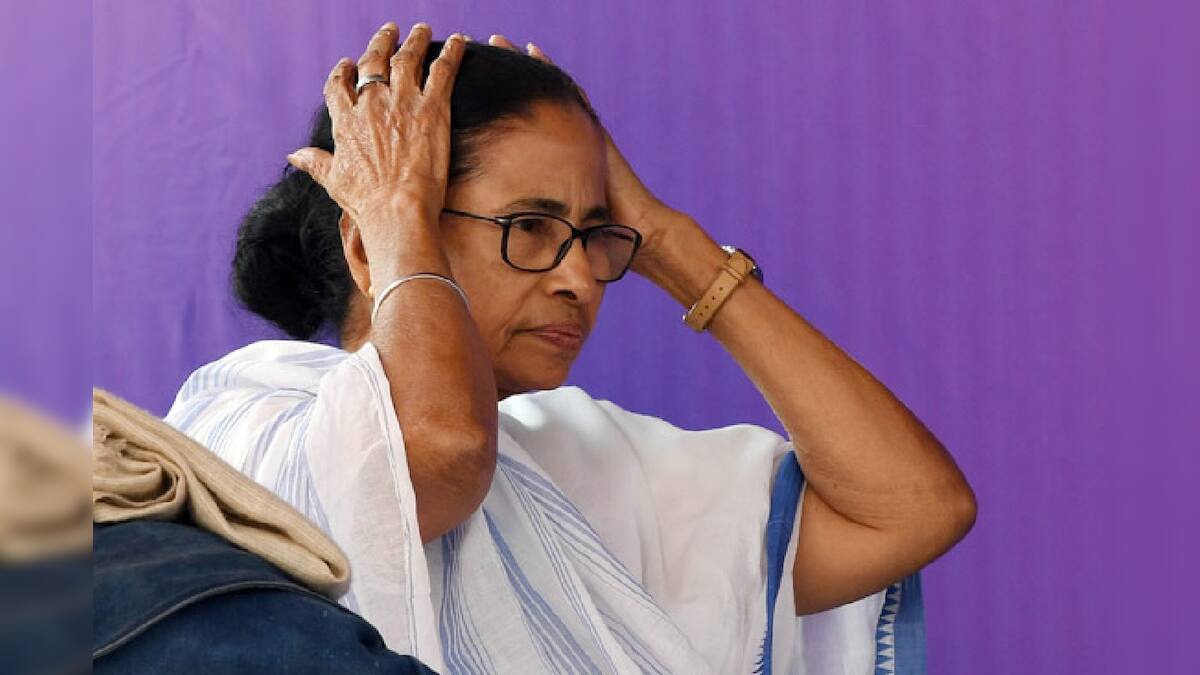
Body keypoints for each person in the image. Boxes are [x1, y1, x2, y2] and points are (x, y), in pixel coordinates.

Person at [164, 20, 976, 674]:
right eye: (530, 226)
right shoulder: (249, 418)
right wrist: (396, 212)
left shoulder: (584, 466)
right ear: (369, 246)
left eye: (594, 234)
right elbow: (436, 454)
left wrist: (664, 238)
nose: (581, 278)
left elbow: (912, 508)